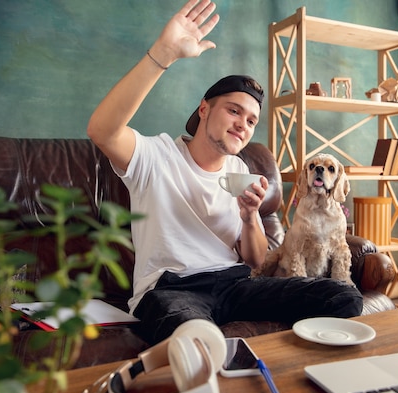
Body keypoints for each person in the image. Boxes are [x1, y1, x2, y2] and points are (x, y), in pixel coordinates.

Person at [87, 0, 362, 344]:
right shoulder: (156, 155)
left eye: (251, 121)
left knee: (344, 297)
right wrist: (164, 54)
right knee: (197, 339)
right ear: (204, 108)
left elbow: (256, 258)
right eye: (234, 111)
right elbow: (102, 130)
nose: (243, 125)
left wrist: (249, 217)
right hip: (173, 290)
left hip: (236, 285)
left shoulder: (239, 169)